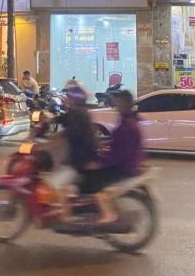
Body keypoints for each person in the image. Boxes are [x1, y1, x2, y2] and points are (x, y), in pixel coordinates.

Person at [80, 90, 145, 225]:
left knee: (90, 179)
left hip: (124, 168)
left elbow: (120, 154)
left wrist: (100, 163)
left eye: (118, 102)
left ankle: (108, 215)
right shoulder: (127, 120)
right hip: (126, 164)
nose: (115, 105)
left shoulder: (128, 125)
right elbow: (118, 146)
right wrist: (103, 148)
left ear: (125, 103)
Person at [47, 84, 98, 219]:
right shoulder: (79, 111)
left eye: (68, 97)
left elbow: (74, 131)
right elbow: (64, 119)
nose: (66, 99)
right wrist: (50, 119)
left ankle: (66, 216)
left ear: (75, 99)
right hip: (83, 155)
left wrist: (57, 137)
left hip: (80, 159)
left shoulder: (77, 112)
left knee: (55, 183)